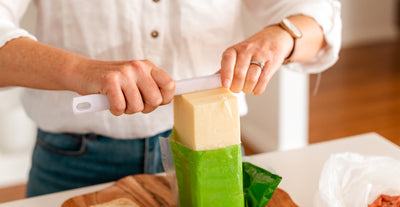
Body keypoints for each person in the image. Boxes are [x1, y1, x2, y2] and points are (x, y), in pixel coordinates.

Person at [0, 1, 341, 197]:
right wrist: (81, 71)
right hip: (75, 160)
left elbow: (317, 14)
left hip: (211, 151)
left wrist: (285, 34)